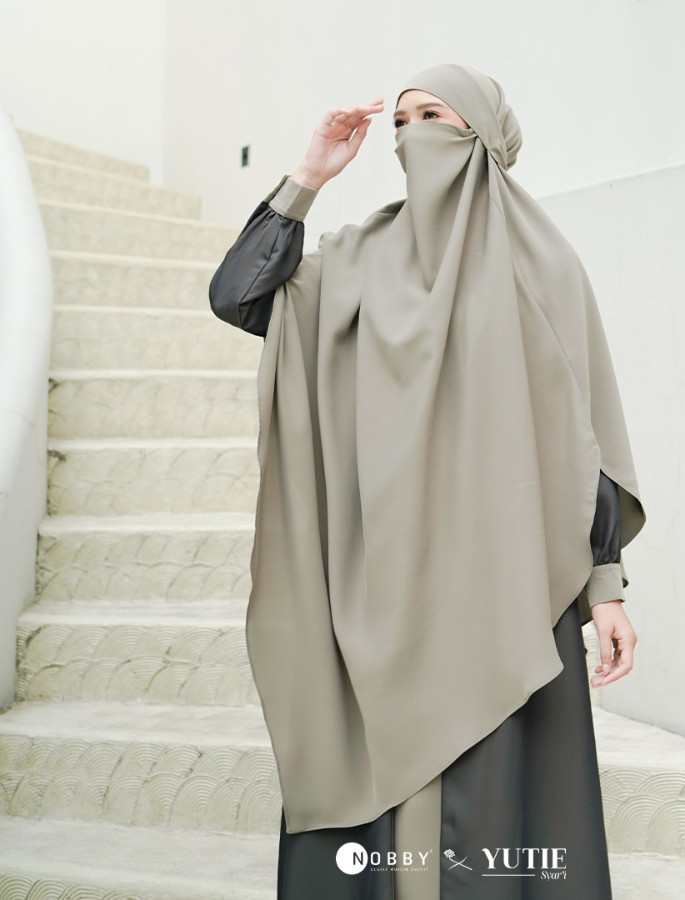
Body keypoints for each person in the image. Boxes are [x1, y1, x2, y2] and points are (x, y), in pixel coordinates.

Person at [209, 63, 646, 900]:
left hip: (506, 582)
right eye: (401, 123)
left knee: (491, 815)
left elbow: (580, 441)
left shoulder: (542, 266)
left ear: (480, 135)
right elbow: (239, 297)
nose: (413, 136)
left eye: (433, 116)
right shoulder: (355, 260)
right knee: (381, 796)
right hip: (380, 577)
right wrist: (310, 173)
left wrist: (606, 586)